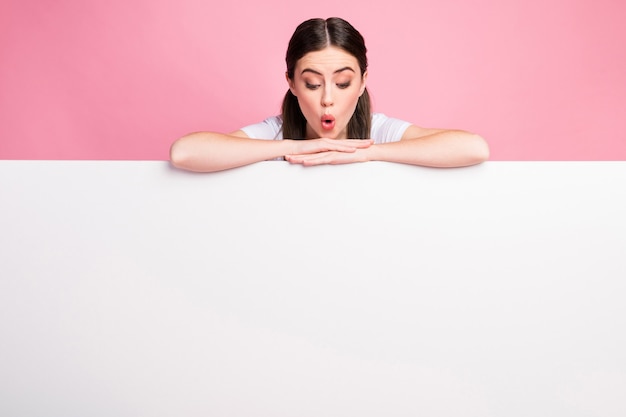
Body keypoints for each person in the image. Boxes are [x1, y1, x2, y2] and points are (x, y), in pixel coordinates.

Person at [170, 17, 489, 173]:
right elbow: (185, 152)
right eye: (311, 84)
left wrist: (367, 153)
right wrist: (298, 147)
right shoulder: (276, 134)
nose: (327, 99)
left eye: (343, 83)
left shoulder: (378, 132)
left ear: (363, 82)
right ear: (291, 84)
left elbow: (473, 147)